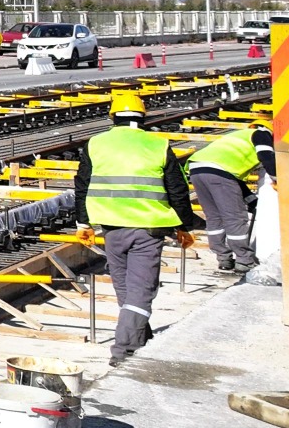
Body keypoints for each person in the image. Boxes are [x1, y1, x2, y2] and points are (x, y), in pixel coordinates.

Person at [77, 90, 198, 363]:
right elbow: (177, 189)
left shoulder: (95, 144)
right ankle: (124, 352)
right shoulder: (157, 145)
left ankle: (140, 336)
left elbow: (82, 184)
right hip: (148, 230)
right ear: (143, 118)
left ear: (113, 117)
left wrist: (83, 223)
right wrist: (185, 226)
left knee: (126, 290)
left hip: (111, 229)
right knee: (140, 293)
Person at [185, 122, 273, 276]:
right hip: (220, 172)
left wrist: (251, 200)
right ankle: (244, 261)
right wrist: (277, 178)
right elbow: (266, 156)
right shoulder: (262, 134)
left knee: (214, 218)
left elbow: (233, 177)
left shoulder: (236, 137)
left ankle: (223, 258)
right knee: (234, 218)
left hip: (197, 169)